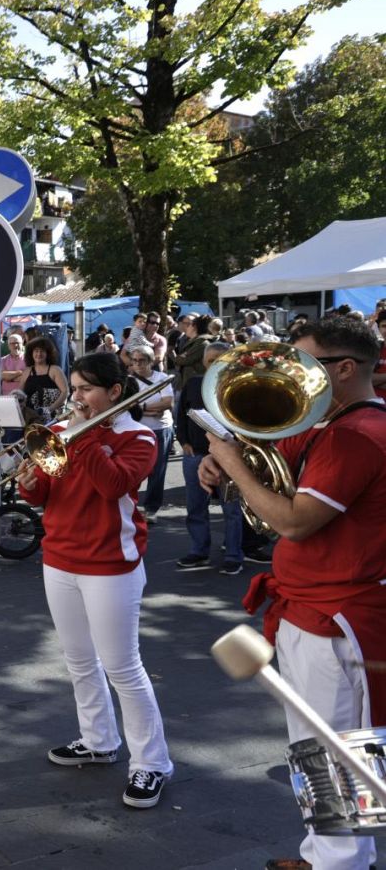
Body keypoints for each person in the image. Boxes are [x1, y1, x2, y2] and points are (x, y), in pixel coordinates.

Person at [201, 317, 386, 870]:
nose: (296, 378)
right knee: (316, 748)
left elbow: (295, 521)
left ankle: (342, 861)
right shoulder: (337, 425)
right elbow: (275, 474)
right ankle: (326, 852)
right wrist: (225, 464)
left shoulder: (357, 434)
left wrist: (233, 462)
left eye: (307, 366)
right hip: (314, 609)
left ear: (344, 369)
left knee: (337, 752)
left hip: (337, 618)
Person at [16, 352, 173, 810]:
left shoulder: (137, 436)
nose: (77, 397)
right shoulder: (65, 433)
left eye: (86, 389)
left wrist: (83, 437)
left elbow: (111, 486)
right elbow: (44, 492)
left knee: (123, 667)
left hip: (110, 562)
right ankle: (98, 739)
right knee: (78, 659)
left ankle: (153, 762)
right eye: (76, 388)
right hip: (60, 556)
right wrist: (29, 480)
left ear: (114, 393)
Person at [174, 342, 243, 573]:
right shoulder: (193, 384)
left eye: (219, 359)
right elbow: (182, 416)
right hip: (195, 454)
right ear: (204, 362)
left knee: (231, 509)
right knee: (195, 506)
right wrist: (184, 442)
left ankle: (234, 555)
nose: (214, 364)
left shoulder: (237, 386)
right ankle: (199, 551)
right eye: (210, 360)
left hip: (229, 456)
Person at [125, 345, 173, 518]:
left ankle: (152, 509)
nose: (138, 364)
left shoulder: (162, 378)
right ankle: (129, 504)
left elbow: (168, 403)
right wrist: (150, 410)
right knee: (133, 469)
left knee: (157, 471)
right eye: (135, 360)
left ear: (151, 361)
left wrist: (142, 407)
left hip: (160, 429)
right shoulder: (128, 381)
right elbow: (127, 407)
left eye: (142, 360)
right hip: (138, 430)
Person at [22, 336, 69, 424]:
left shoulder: (55, 370)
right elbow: (20, 394)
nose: (39, 354)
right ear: (31, 353)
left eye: (42, 351)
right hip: (30, 418)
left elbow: (65, 392)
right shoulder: (27, 371)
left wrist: (50, 409)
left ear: (48, 354)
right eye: (36, 351)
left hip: (52, 418)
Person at [373, 309, 386, 400]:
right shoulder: (373, 349)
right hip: (374, 407)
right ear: (379, 328)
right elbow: (365, 380)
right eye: (384, 326)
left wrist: (377, 380)